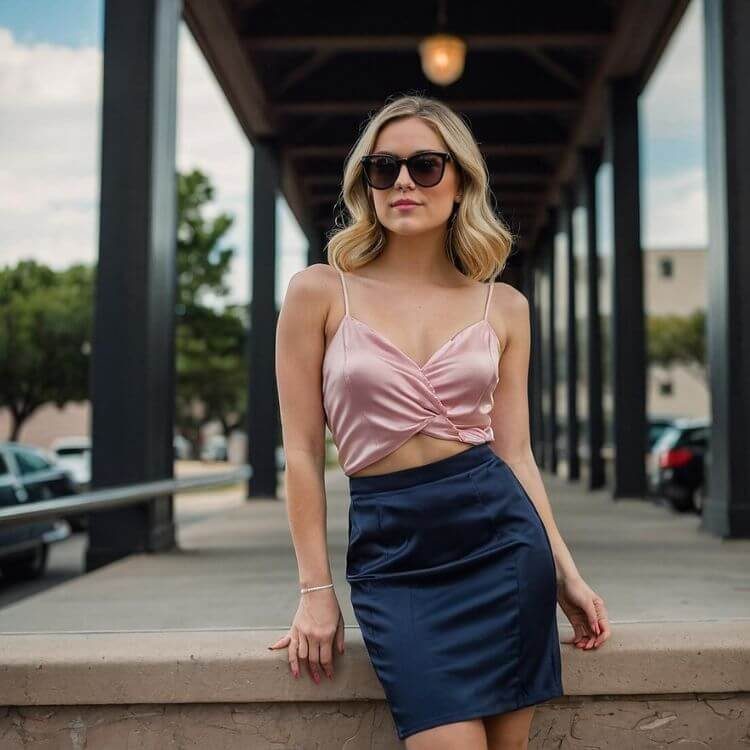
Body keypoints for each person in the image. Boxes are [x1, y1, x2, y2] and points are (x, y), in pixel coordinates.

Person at [270, 94, 611, 748]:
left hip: (503, 548)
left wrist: (566, 571)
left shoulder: (505, 305)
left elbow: (516, 454)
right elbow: (304, 453)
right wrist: (315, 589)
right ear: (365, 186)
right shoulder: (318, 291)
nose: (402, 181)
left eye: (426, 166)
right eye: (383, 167)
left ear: (460, 185)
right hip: (394, 552)